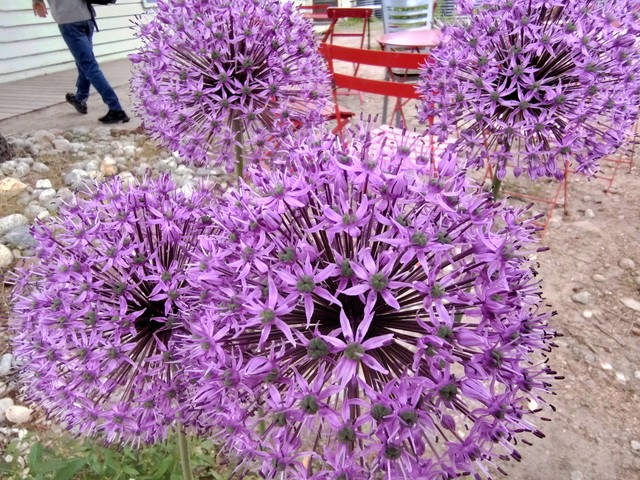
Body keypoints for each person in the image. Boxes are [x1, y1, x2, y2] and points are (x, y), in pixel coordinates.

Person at [32, 0, 130, 124]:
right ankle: (80, 98)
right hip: (86, 18)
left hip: (69, 20)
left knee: (89, 66)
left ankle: (116, 109)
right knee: (83, 62)